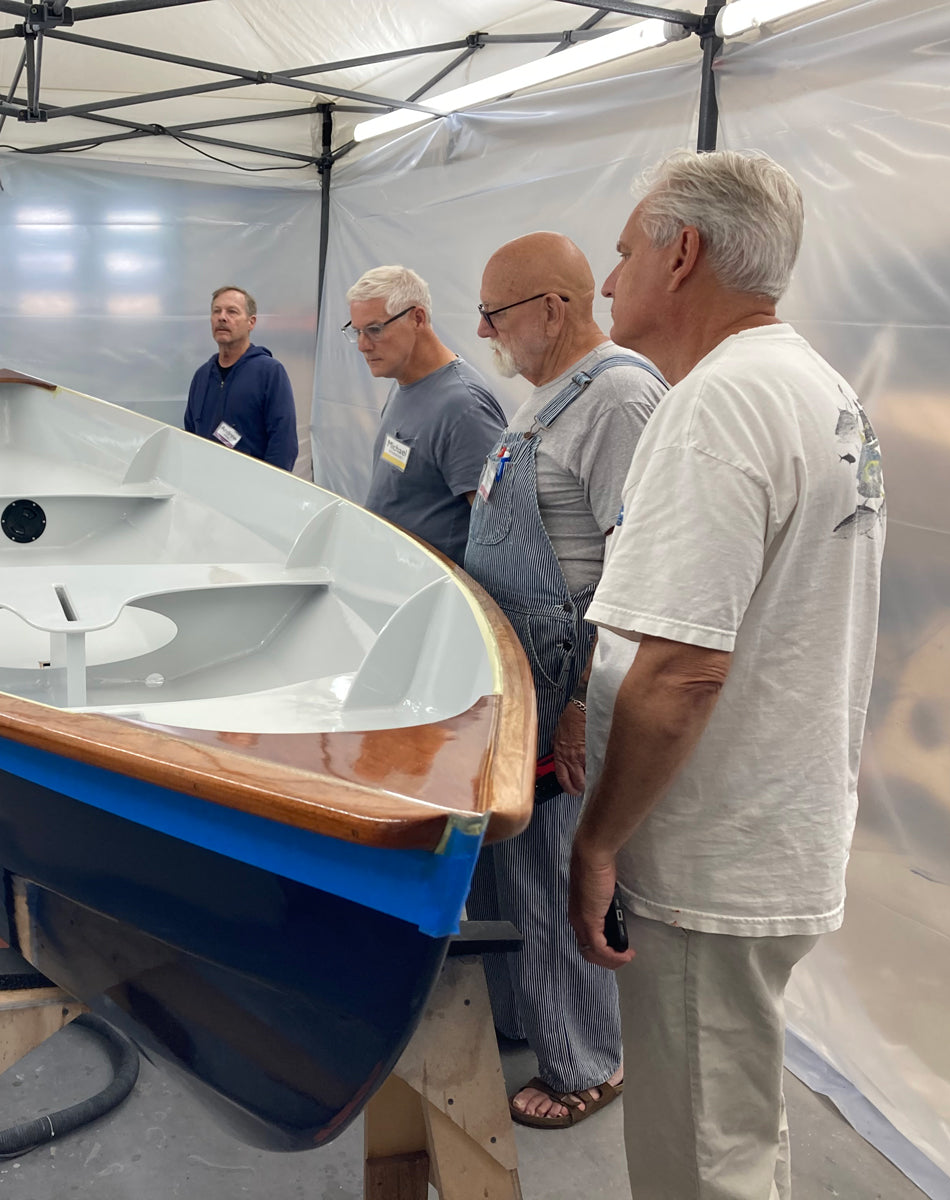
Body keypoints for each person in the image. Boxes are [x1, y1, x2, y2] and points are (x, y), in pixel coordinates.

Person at [567, 151, 885, 1199]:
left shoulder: (715, 404)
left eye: (621, 253)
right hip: (776, 825)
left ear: (682, 253)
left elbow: (681, 671)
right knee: (735, 1121)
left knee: (700, 1157)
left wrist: (600, 841)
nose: (608, 282)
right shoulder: (815, 386)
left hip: (713, 853)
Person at [463, 232, 666, 1129]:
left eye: (497, 313)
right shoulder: (544, 400)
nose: (485, 330)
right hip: (524, 679)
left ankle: (588, 1061)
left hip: (566, 682)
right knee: (523, 872)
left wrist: (582, 702)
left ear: (554, 307)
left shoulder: (621, 396)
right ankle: (532, 1018)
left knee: (558, 874)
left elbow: (639, 571)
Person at [346, 266, 505, 562]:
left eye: (375, 330)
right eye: (356, 332)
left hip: (433, 594)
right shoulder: (404, 383)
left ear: (417, 318)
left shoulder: (463, 406)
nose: (363, 345)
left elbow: (497, 531)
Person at [183, 285, 298, 470]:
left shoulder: (269, 372)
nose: (222, 317)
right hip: (204, 488)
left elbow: (283, 444)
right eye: (216, 311)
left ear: (251, 322)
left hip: (253, 491)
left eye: (232, 312)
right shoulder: (202, 376)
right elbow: (190, 435)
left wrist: (271, 491)